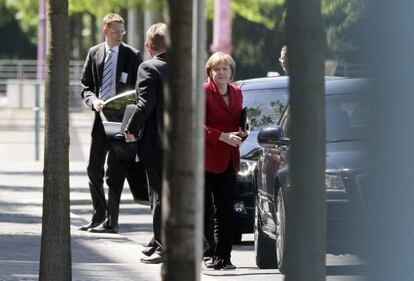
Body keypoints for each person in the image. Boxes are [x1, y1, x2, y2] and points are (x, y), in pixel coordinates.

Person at [79, 13, 143, 233]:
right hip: (100, 122)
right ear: (105, 30)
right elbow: (85, 85)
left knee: (114, 174)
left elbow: (139, 89)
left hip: (120, 124)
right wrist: (93, 101)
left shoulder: (132, 56)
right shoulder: (94, 53)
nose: (120, 35)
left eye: (122, 31)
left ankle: (111, 221)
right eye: (116, 31)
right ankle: (98, 214)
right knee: (92, 169)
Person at [124, 23, 168, 264]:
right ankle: (159, 240)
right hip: (184, 143)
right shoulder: (187, 68)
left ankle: (162, 245)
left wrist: (130, 128)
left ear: (149, 47)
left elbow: (145, 105)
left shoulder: (148, 67)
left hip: (156, 142)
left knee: (158, 194)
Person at [203, 52, 248, 270]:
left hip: (230, 159)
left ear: (231, 72)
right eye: (217, 69)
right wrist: (221, 136)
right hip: (206, 159)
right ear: (210, 72)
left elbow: (239, 120)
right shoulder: (202, 93)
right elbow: (195, 124)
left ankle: (224, 257)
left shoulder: (237, 92)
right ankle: (207, 253)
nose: (222, 73)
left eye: (226, 69)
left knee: (225, 210)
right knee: (205, 211)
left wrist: (242, 134)